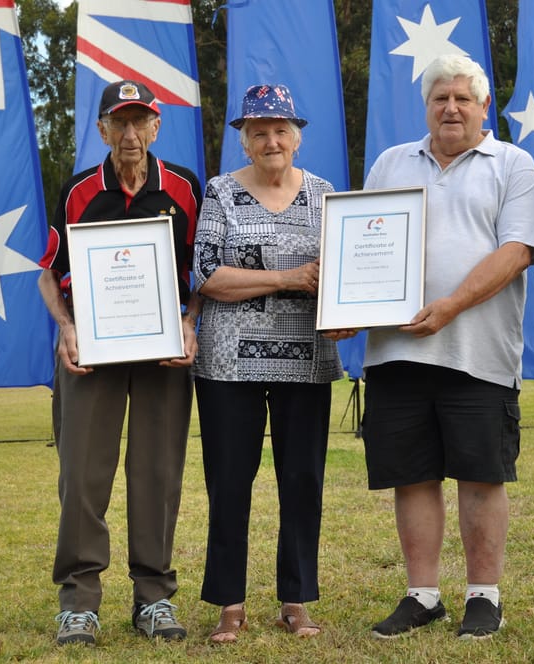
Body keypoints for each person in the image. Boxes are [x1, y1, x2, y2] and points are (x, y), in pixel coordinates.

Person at [327, 55, 534, 640]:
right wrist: (347, 311)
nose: (450, 108)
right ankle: (422, 595)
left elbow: (518, 251)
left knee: (481, 475)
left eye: (462, 98)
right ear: (425, 107)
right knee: (413, 475)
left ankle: (484, 596)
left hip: (478, 350)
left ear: (483, 107)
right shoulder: (390, 162)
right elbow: (363, 245)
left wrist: (449, 306)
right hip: (396, 353)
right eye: (439, 99)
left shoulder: (513, 163)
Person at [37, 80, 202, 647]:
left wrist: (189, 320)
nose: (130, 134)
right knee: (82, 474)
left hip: (161, 356)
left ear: (156, 127)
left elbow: (198, 273)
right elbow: (48, 273)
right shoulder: (79, 190)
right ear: (103, 128)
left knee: (156, 473)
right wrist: (67, 329)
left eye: (141, 122)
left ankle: (153, 598)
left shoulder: (183, 188)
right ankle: (79, 603)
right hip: (93, 356)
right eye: (119, 122)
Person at [192, 84, 343, 644]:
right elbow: (205, 275)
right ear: (244, 141)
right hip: (228, 366)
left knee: (302, 481)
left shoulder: (326, 195)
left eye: (280, 129)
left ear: (297, 138)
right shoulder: (220, 193)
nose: (271, 140)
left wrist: (348, 309)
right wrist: (286, 278)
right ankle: (229, 602)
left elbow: (344, 272)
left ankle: (296, 599)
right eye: (258, 132)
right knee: (229, 482)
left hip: (307, 362)